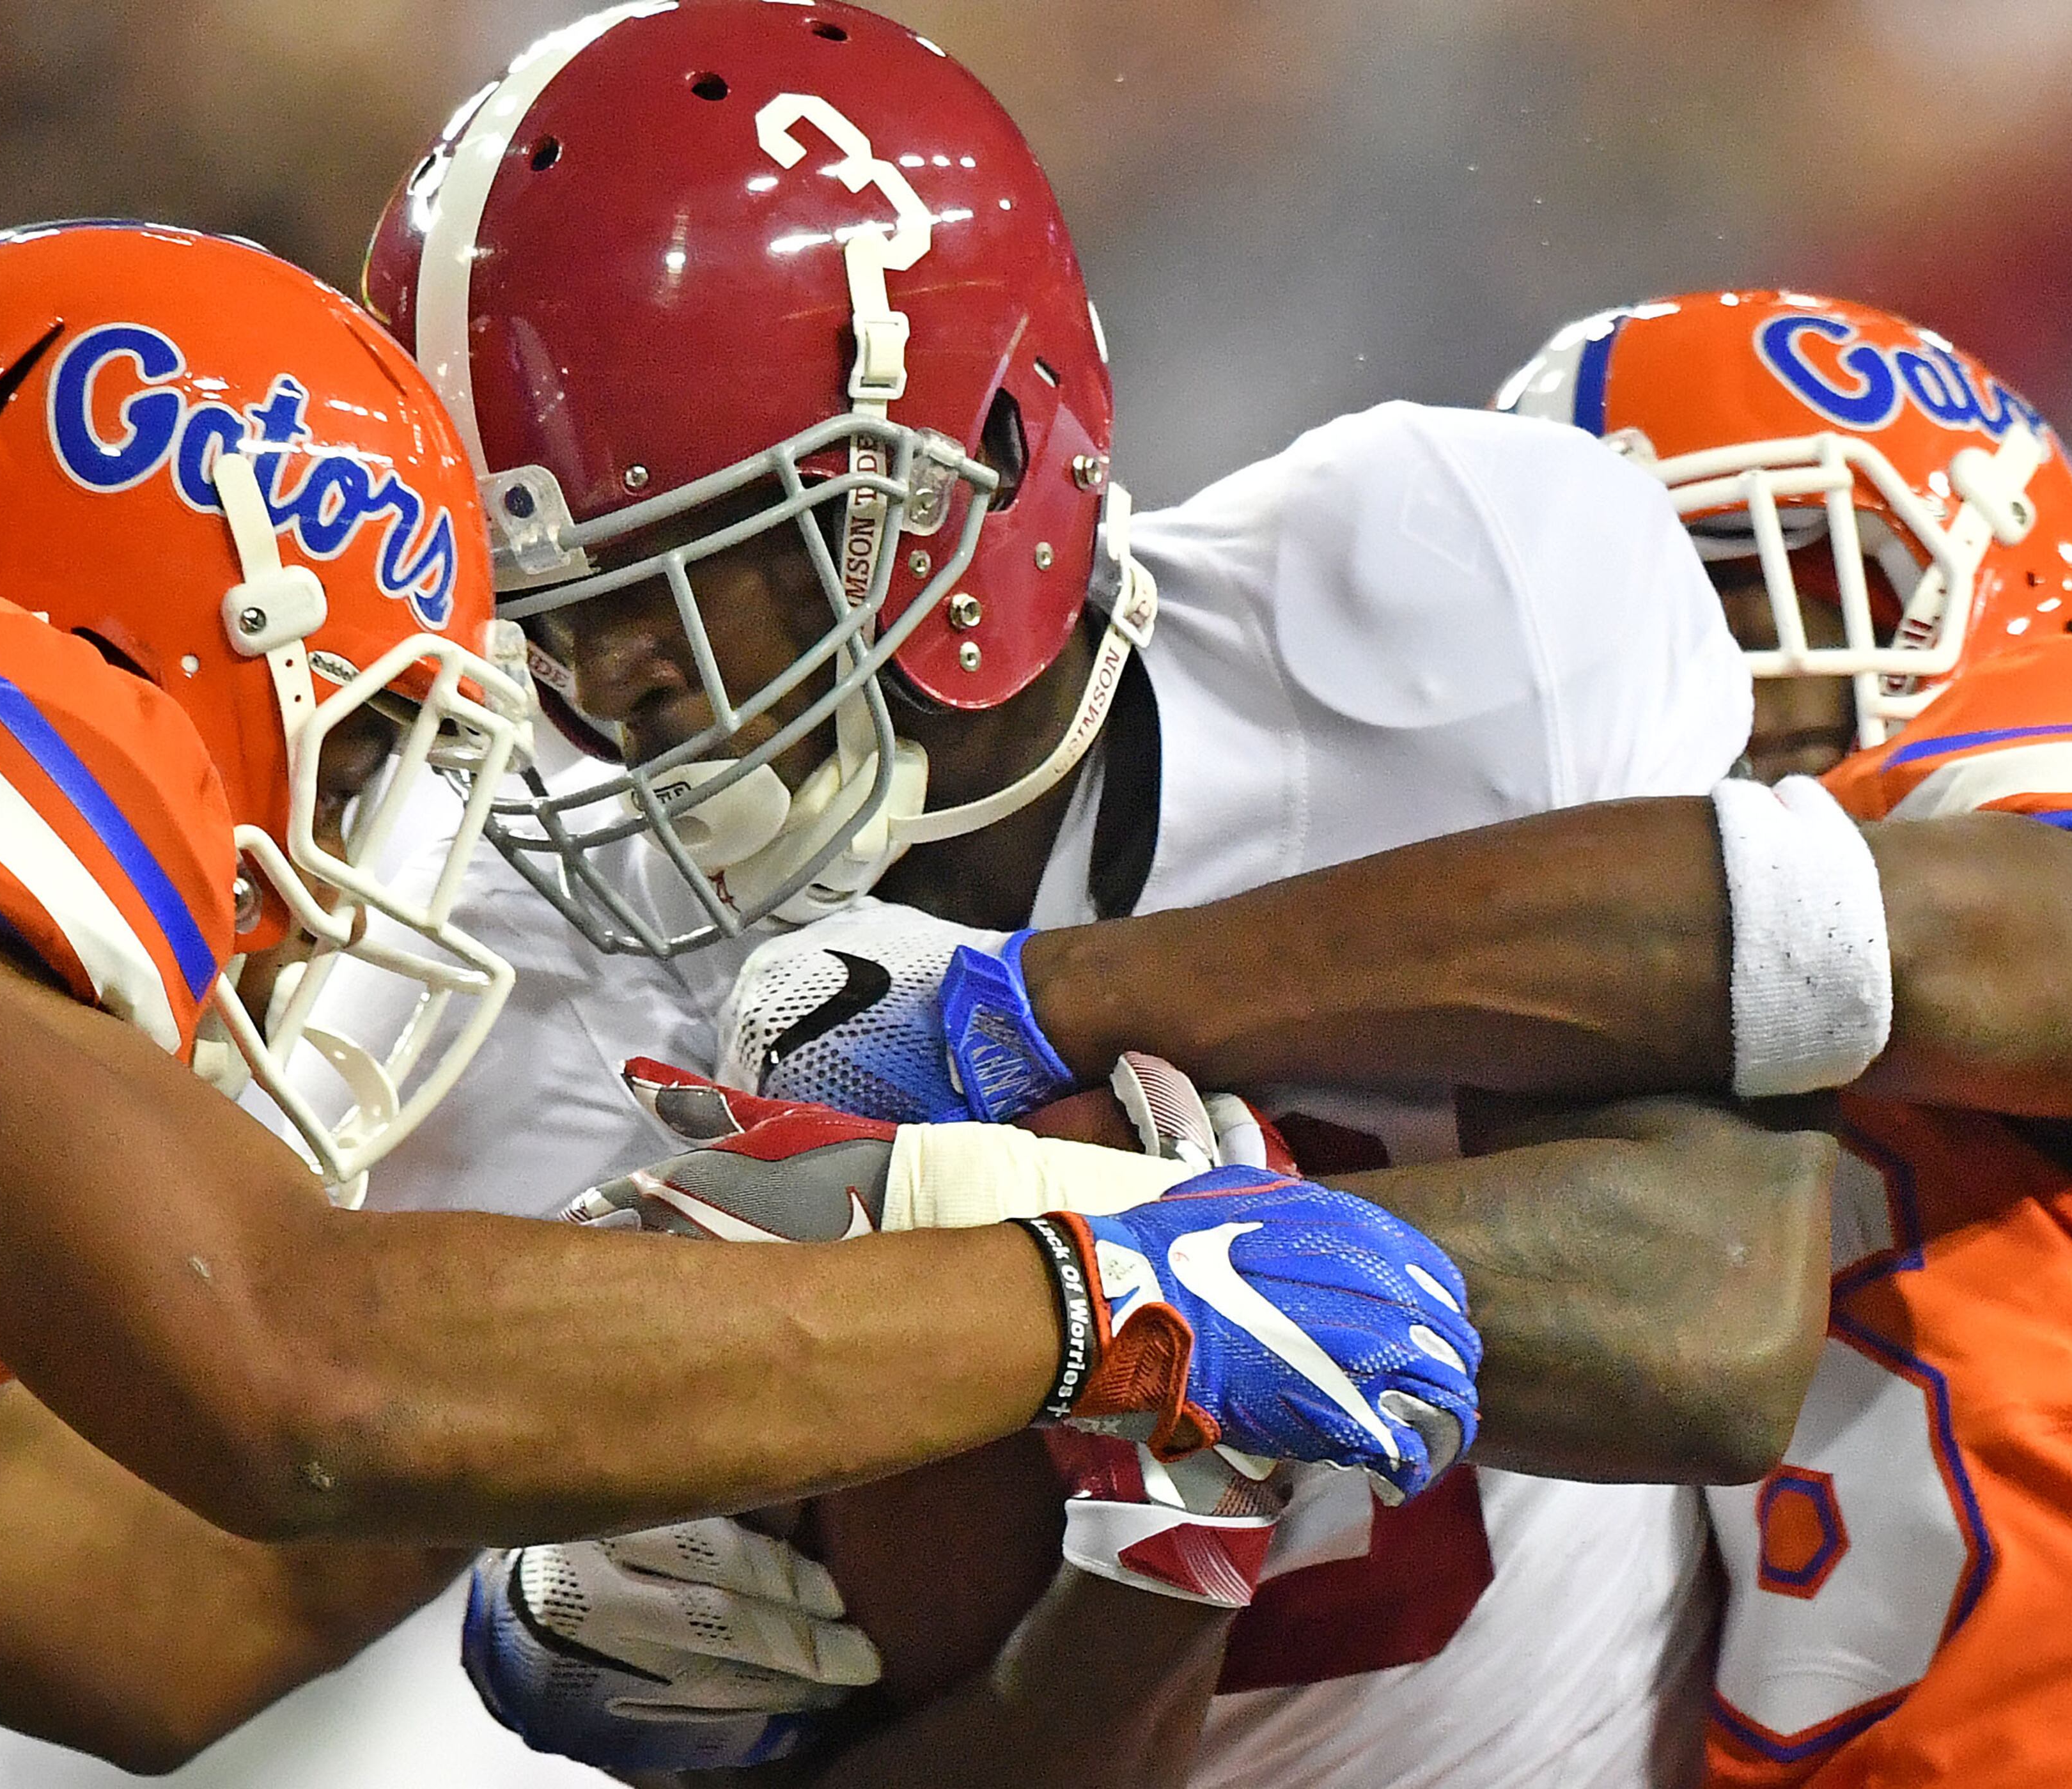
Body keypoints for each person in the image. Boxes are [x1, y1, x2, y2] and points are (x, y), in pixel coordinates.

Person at [0, 219, 1466, 1772]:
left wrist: (674, 1348)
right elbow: (298, 1369)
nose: (347, 840)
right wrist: (1108, 1290)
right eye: (355, 746)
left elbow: (153, 1623)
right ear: (128, 641)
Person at [349, 5, 1836, 1782]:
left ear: (977, 463)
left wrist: (1055, 1199)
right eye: (541, 612)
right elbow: (200, 1600)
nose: (603, 689)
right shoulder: (548, 937)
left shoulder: (1440, 588)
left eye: (673, 573)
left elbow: (1722, 1320)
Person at [696, 291, 2072, 1785]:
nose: (1675, 661)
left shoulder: (2059, 753)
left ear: (1957, 573)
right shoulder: (1611, 1069)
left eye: (1733, 591)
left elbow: (1871, 933)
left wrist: (1051, 1008)